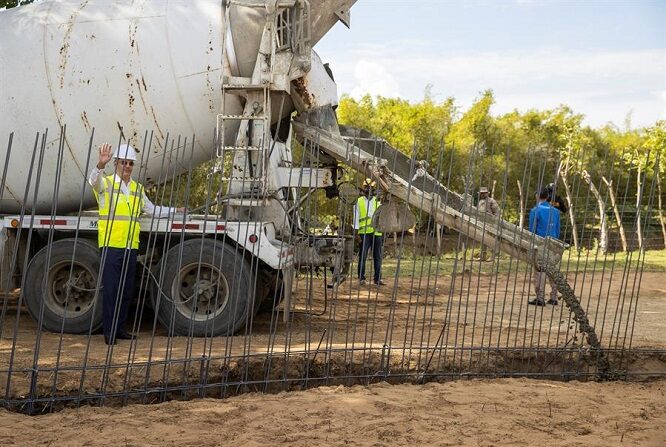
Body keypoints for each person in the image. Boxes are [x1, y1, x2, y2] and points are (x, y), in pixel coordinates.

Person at [89, 143, 184, 345]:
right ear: (116, 163)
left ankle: (121, 329)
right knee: (112, 290)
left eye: (131, 163)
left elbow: (152, 209)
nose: (127, 166)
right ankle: (109, 332)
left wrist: (175, 210)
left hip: (130, 247)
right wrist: (100, 164)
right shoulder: (105, 184)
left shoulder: (136, 188)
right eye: (124, 162)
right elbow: (92, 182)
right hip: (111, 245)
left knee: (126, 291)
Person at [528, 188, 561, 306]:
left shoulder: (535, 210)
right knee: (552, 270)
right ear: (547, 197)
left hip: (541, 242)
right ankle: (554, 297)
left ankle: (540, 297)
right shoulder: (556, 211)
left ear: (537, 196)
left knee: (540, 270)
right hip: (554, 243)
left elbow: (532, 230)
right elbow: (557, 229)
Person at [353, 178, 385, 286]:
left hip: (377, 232)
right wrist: (356, 233)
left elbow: (382, 217)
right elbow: (356, 217)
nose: (369, 190)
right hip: (364, 233)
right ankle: (361, 278)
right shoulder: (359, 201)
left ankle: (377, 279)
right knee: (363, 256)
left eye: (371, 188)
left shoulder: (378, 201)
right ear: (364, 188)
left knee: (378, 256)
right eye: (367, 188)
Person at [477, 186, 500, 261]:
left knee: (491, 240)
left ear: (487, 193)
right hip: (482, 223)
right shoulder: (480, 202)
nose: (483, 194)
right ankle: (483, 256)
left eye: (484, 193)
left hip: (490, 224)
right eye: (482, 193)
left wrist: (494, 223)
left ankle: (493, 256)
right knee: (483, 239)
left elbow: (497, 212)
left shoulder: (491, 201)